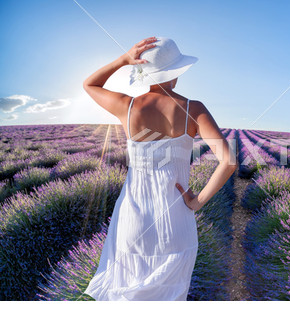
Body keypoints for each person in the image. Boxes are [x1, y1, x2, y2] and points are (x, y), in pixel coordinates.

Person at [81, 36, 237, 300]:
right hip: (175, 218)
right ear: (175, 73)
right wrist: (197, 201)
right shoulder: (193, 109)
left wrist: (123, 59)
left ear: (144, 73)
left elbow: (89, 84)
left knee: (126, 297)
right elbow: (229, 162)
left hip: (133, 218)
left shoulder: (126, 106)